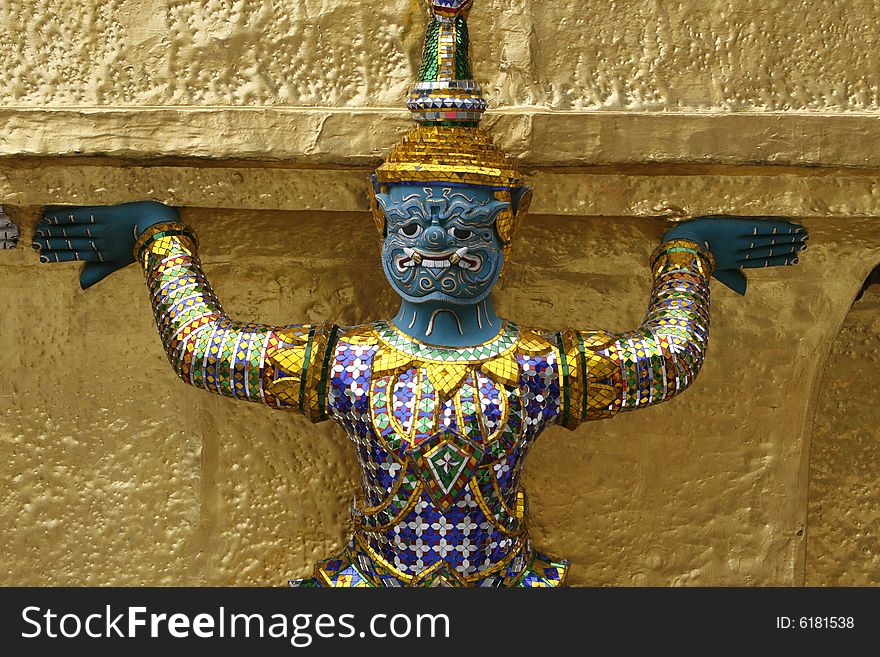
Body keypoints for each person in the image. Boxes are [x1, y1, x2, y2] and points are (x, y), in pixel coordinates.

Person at [33, 0, 807, 587]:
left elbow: (667, 359)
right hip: (374, 585)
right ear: (380, 228)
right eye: (412, 234)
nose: (435, 250)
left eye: (465, 235)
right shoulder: (354, 366)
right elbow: (205, 351)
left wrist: (687, 254)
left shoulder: (534, 368)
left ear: (508, 231)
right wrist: (158, 236)